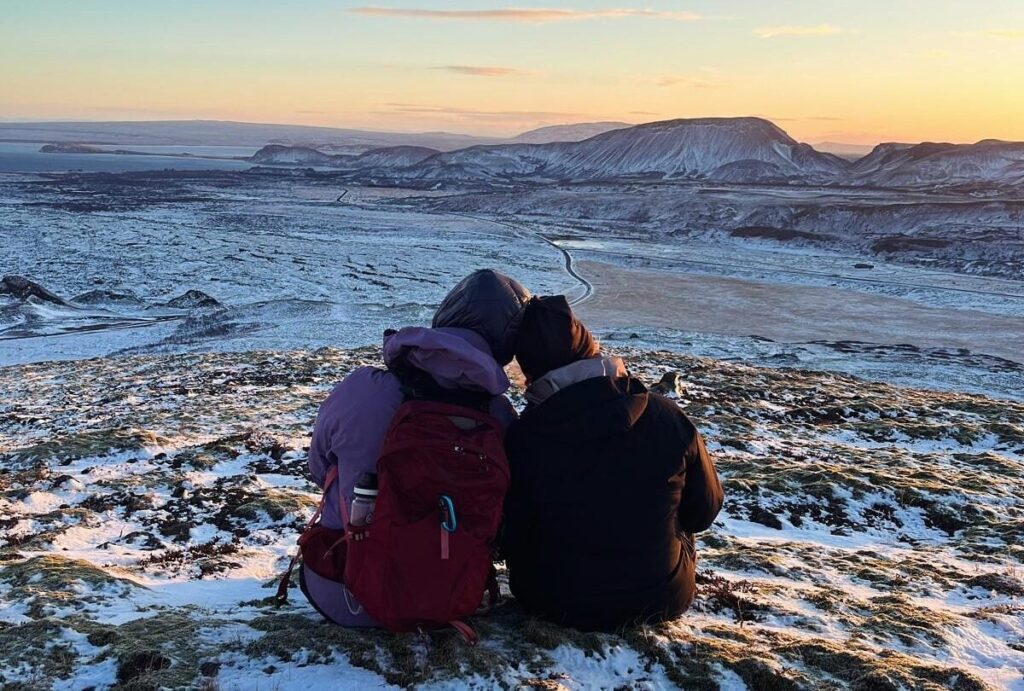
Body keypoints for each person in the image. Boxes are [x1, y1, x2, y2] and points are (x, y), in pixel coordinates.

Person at [302, 269, 530, 625]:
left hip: (345, 596)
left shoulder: (362, 389)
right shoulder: (500, 417)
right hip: (453, 597)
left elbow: (318, 468)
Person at [502, 295, 724, 631]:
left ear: (529, 372)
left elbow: (513, 535)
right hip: (661, 596)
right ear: (589, 346)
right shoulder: (667, 415)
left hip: (552, 600)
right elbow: (704, 510)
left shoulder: (523, 437)